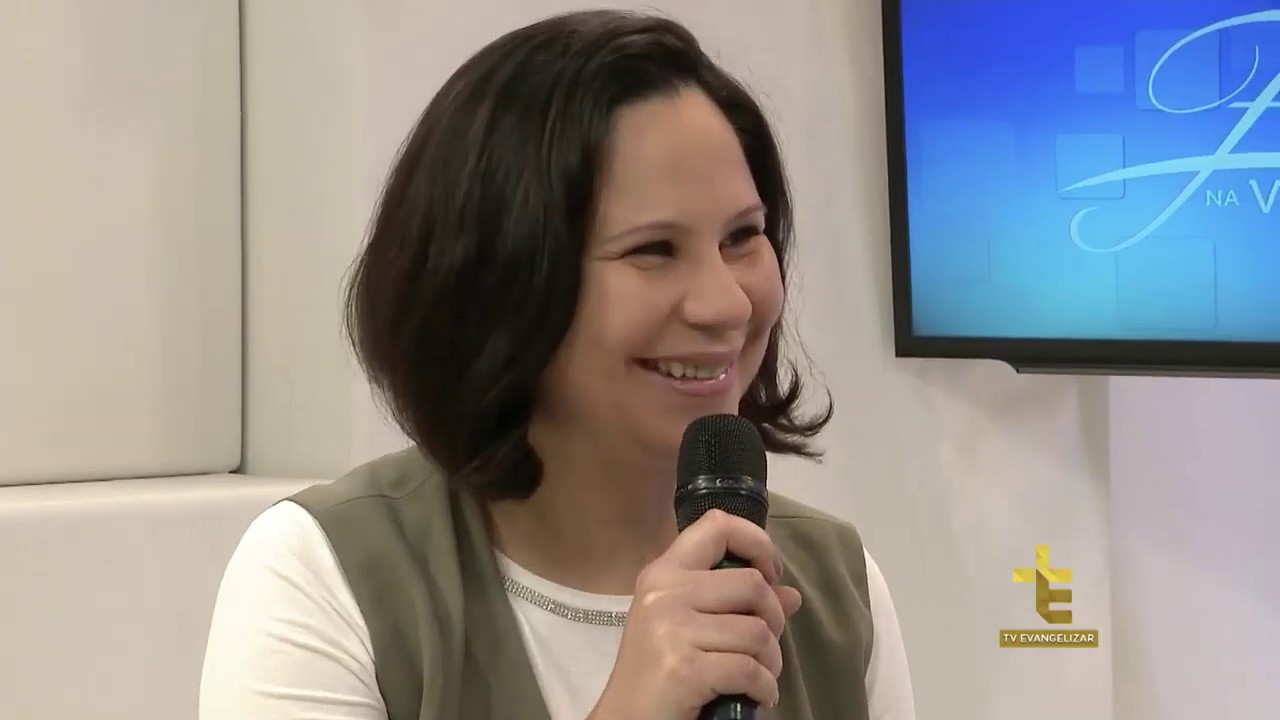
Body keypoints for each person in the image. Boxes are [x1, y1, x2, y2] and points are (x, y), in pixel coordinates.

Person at [199, 9, 914, 720]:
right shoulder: (326, 575)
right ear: (501, 281)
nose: (727, 303)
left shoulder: (836, 588)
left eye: (743, 237)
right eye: (653, 249)